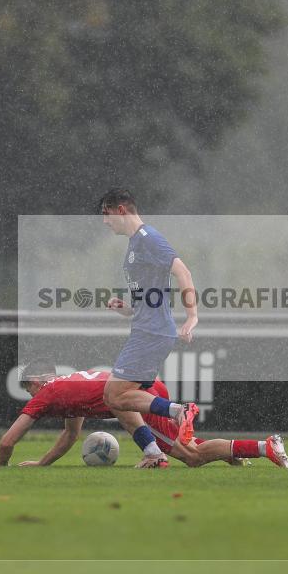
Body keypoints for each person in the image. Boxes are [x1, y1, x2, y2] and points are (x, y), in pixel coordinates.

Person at [0, 366, 288, 469]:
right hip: (142, 386)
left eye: (28, 389)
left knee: (192, 457)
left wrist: (2, 465)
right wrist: (42, 463)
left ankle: (170, 426)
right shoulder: (65, 387)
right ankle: (256, 448)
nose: (31, 395)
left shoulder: (47, 393)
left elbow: (8, 441)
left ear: (36, 383)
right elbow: (70, 435)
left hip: (138, 394)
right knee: (195, 446)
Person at [98, 188, 200, 467]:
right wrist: (127, 308)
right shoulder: (135, 244)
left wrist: (192, 316)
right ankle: (154, 452)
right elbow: (150, 297)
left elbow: (183, 271)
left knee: (114, 395)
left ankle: (178, 412)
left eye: (106, 215)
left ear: (120, 210)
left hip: (152, 333)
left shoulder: (148, 238)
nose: (105, 222)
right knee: (118, 399)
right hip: (147, 328)